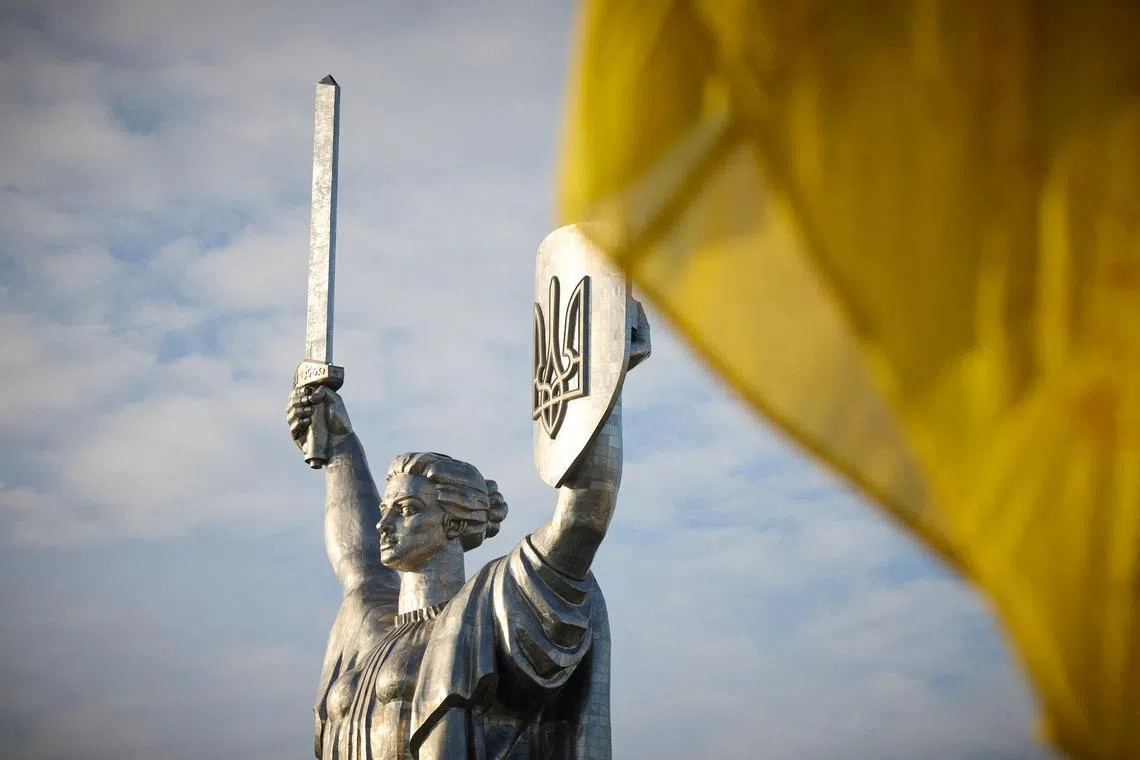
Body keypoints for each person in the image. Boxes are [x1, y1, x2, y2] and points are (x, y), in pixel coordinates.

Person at [286, 304, 650, 760]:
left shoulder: (491, 608)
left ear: (455, 522)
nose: (385, 524)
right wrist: (339, 444)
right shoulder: (366, 619)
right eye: (385, 510)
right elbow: (354, 553)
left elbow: (584, 515)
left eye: (407, 510)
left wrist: (604, 377)